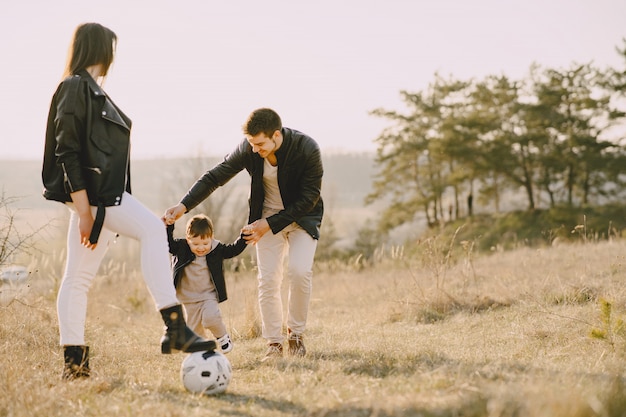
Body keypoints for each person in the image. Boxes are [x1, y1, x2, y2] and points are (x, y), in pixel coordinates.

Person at [42, 23, 215, 380]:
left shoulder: (90, 89)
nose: (113, 57)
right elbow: (67, 151)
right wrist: (86, 211)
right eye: (111, 48)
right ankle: (174, 327)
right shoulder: (75, 87)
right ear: (99, 48)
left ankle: (74, 366)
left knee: (76, 279)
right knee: (153, 229)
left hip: (99, 202)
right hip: (99, 201)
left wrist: (88, 211)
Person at [164, 108, 323, 361]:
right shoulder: (250, 148)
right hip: (264, 218)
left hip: (302, 218)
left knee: (299, 272)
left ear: (276, 135)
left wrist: (269, 224)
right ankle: (274, 344)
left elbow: (309, 198)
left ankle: (296, 335)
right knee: (268, 280)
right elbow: (215, 176)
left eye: (260, 144)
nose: (255, 149)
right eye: (251, 143)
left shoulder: (307, 149)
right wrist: (183, 206)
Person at [165, 214, 247, 353]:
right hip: (188, 298)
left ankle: (222, 337)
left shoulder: (216, 249)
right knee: (195, 332)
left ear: (211, 238)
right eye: (195, 244)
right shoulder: (182, 248)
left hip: (208, 295)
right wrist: (169, 226)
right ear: (188, 239)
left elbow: (233, 249)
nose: (201, 248)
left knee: (210, 318)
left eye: (205, 243)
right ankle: (203, 354)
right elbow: (168, 244)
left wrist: (244, 237)